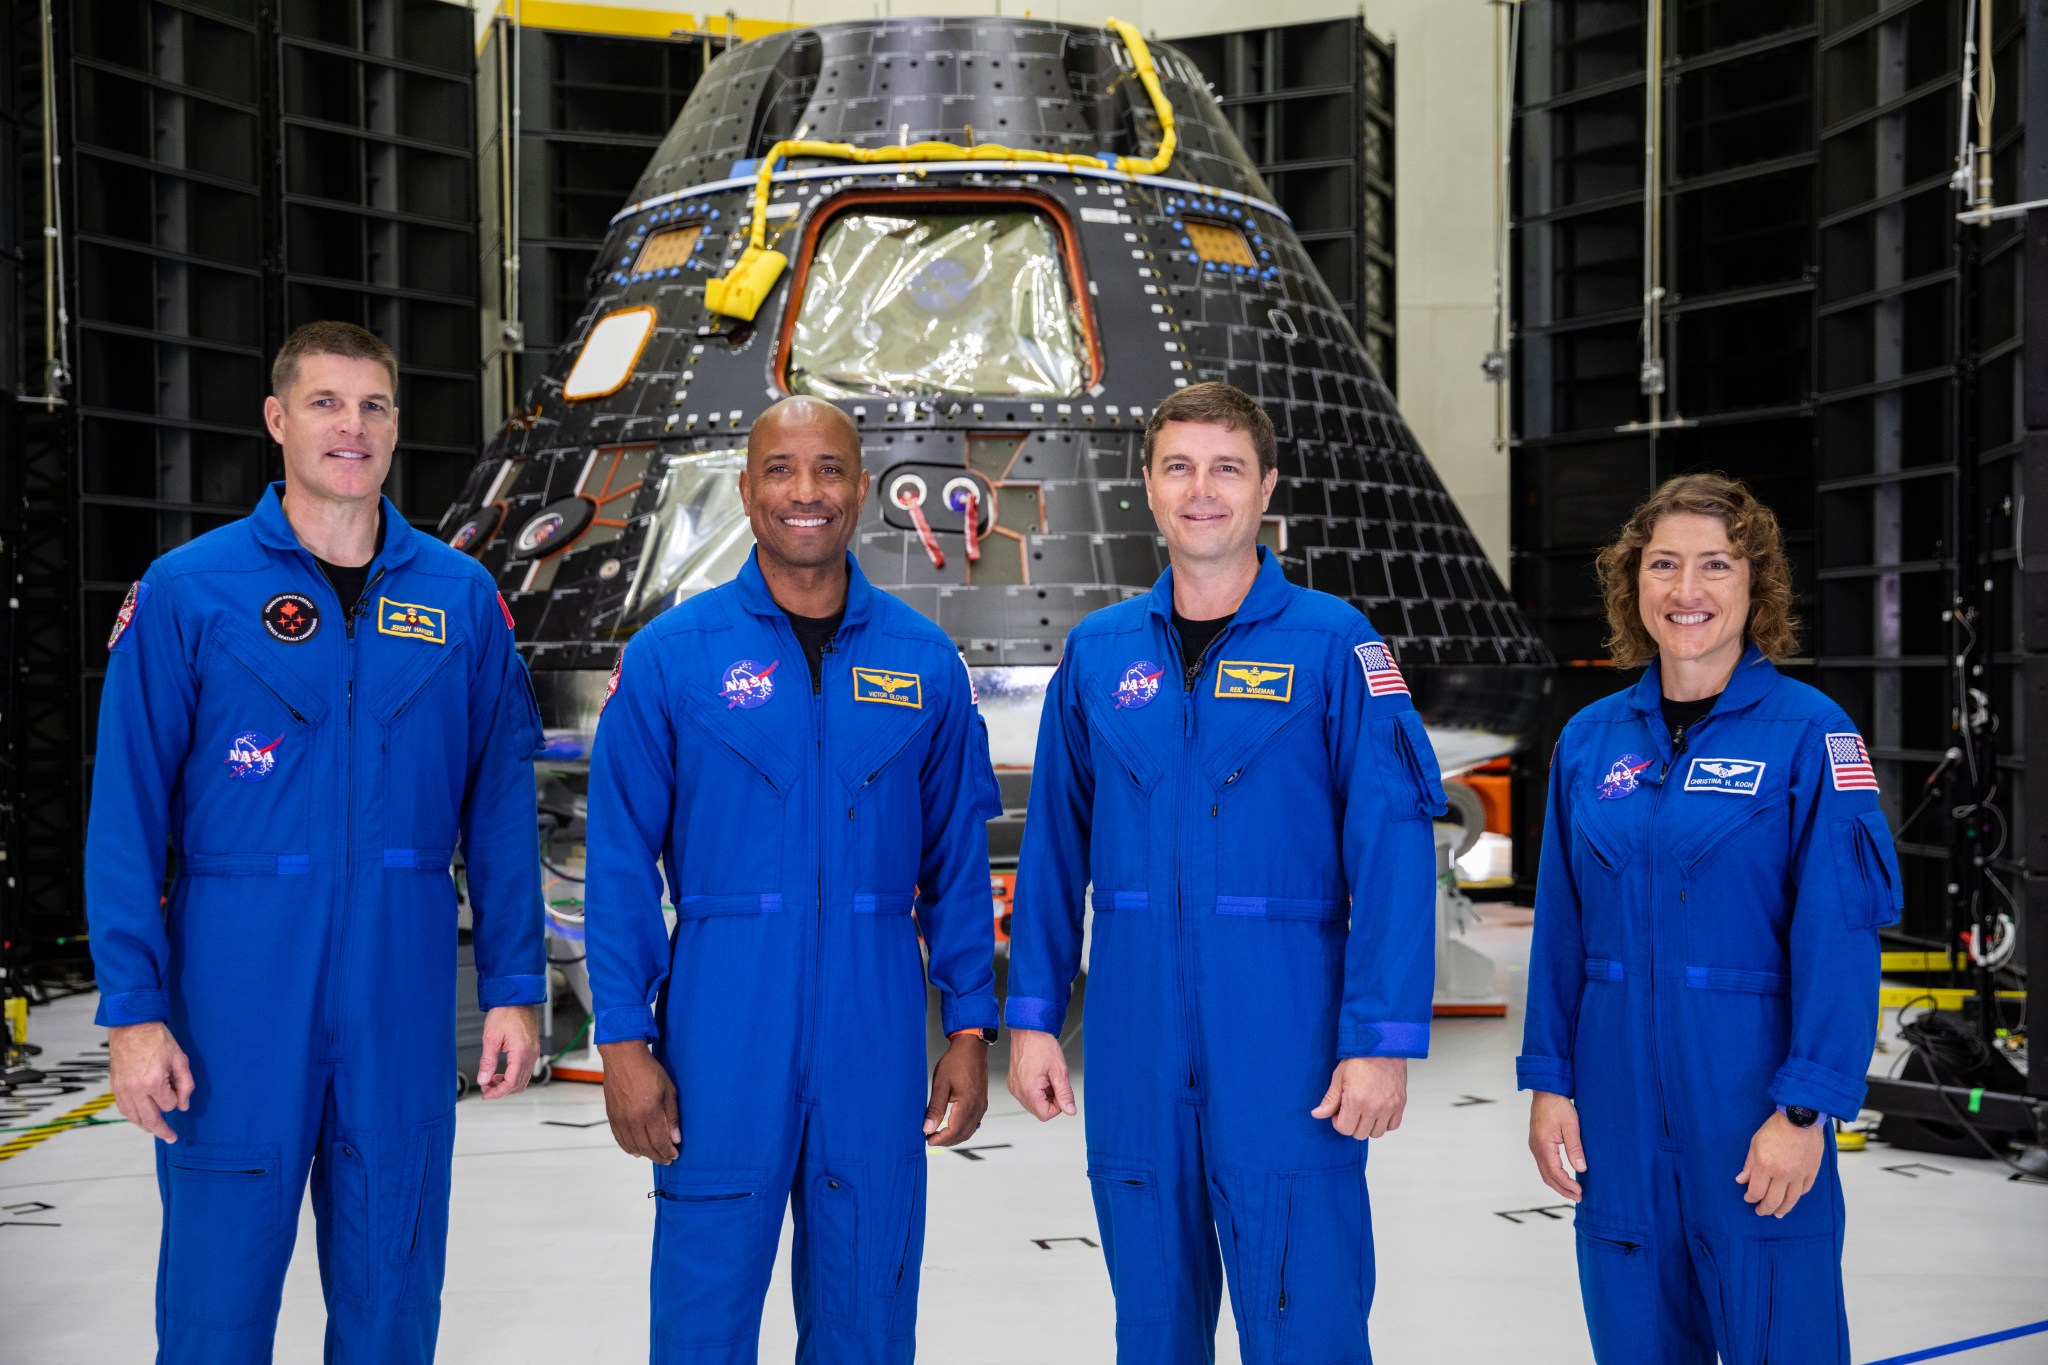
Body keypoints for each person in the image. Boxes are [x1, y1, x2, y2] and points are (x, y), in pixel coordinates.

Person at [86, 320, 547, 1363]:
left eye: (374, 405)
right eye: (327, 403)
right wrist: (132, 1013)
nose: (352, 426)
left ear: (395, 427)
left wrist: (516, 984)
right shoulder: (188, 593)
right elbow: (125, 817)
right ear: (277, 420)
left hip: (399, 994)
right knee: (214, 1308)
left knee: (392, 1302)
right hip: (234, 999)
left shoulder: (461, 600)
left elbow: (500, 815)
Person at [1004, 381, 1447, 1363]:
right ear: (1149, 490)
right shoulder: (1095, 654)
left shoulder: (1335, 646)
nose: (1201, 490)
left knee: (1307, 1316)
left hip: (1285, 1039)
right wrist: (1033, 1016)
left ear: (1265, 488)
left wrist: (1377, 1038)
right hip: (1132, 1040)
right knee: (1152, 1325)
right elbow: (1052, 851)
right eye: (1178, 467)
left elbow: (1390, 850)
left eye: (1225, 468)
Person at [585, 395, 1003, 1365]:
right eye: (780, 469)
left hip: (876, 1020)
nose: (804, 492)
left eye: (826, 470)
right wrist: (621, 1038)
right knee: (702, 1310)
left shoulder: (921, 661)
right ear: (746, 489)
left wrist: (969, 1025)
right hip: (720, 1019)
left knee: (867, 1305)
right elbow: (616, 864)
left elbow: (953, 859)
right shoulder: (669, 661)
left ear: (861, 490)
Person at [1517, 473, 1902, 1363]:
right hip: (1615, 1114)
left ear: (1755, 584)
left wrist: (1805, 1111)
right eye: (1663, 565)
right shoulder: (1590, 741)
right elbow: (1561, 931)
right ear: (1633, 585)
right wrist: (1550, 1082)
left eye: (1715, 565)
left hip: (1750, 1112)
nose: (1686, 591)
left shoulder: (1812, 735)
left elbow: (1840, 940)